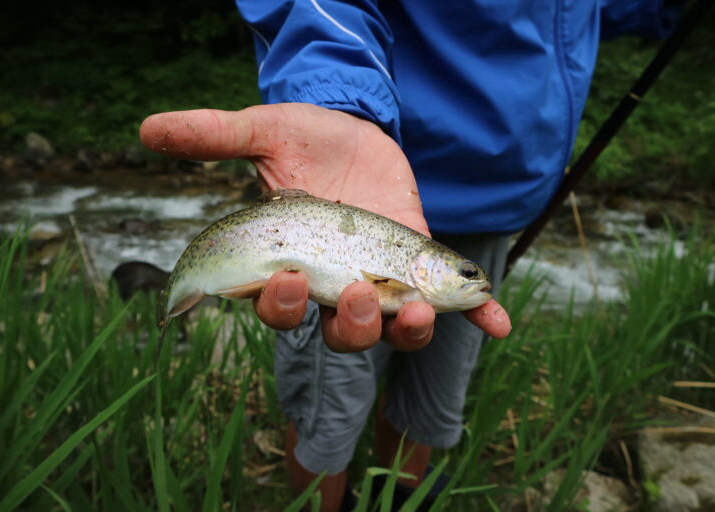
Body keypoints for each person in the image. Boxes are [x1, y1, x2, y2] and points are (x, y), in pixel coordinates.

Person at [139, 1, 679, 510]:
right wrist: (336, 99)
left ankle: (398, 496)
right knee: (328, 412)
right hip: (362, 172)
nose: (474, 282)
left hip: (498, 207)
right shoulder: (406, 258)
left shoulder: (441, 281)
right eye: (464, 276)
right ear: (430, 266)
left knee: (429, 405)